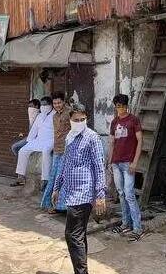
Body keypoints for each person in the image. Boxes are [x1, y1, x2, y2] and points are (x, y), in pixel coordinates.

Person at [52, 103, 106, 274]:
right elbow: (65, 163)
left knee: (72, 235)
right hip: (70, 192)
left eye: (83, 119)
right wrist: (56, 187)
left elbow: (99, 167)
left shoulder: (92, 137)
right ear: (70, 120)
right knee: (78, 235)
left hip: (83, 193)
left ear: (86, 119)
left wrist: (100, 195)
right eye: (76, 120)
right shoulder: (70, 136)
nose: (80, 122)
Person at [108, 94, 143, 241]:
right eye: (118, 106)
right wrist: (110, 162)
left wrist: (135, 162)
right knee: (121, 193)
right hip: (116, 163)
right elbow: (111, 143)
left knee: (129, 194)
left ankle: (138, 228)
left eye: (122, 106)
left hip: (128, 163)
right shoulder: (114, 122)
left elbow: (140, 141)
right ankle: (125, 223)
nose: (120, 109)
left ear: (126, 106)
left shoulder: (133, 120)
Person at [13, 96, 55, 186]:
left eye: (45, 105)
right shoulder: (40, 115)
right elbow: (34, 130)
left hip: (51, 139)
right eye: (42, 105)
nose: (43, 107)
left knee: (46, 151)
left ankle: (45, 179)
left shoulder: (55, 115)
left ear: (51, 105)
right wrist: (29, 141)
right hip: (39, 139)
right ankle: (21, 177)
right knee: (22, 151)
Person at [40, 92, 71, 212]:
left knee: (62, 177)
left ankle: (61, 206)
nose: (57, 105)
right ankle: (51, 204)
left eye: (59, 102)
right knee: (53, 176)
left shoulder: (70, 113)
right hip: (57, 149)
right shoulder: (54, 116)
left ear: (64, 102)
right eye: (55, 103)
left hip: (67, 150)